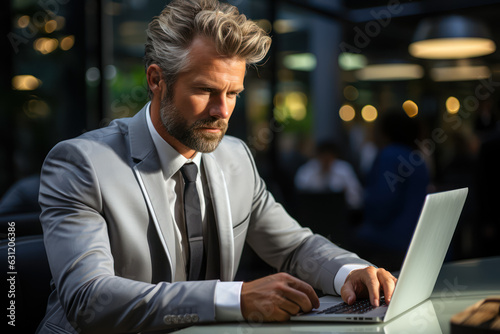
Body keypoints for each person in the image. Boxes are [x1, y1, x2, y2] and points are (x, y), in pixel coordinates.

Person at [36, 1, 396, 333]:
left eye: (233, 93)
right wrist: (234, 297)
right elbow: (89, 298)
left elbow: (293, 247)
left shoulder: (235, 157)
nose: (222, 111)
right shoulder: (81, 164)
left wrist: (349, 272)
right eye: (205, 90)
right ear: (156, 80)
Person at [355, 110, 430, 270]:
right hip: (416, 237)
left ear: (385, 133)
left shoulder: (389, 155)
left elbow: (382, 202)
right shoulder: (416, 157)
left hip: (390, 241)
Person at [294, 141, 364, 210]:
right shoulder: (306, 171)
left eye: (329, 156)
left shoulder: (344, 170)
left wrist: (346, 195)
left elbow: (356, 199)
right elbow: (299, 197)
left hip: (338, 212)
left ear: (334, 156)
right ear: (318, 155)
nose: (326, 159)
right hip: (313, 212)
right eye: (323, 155)